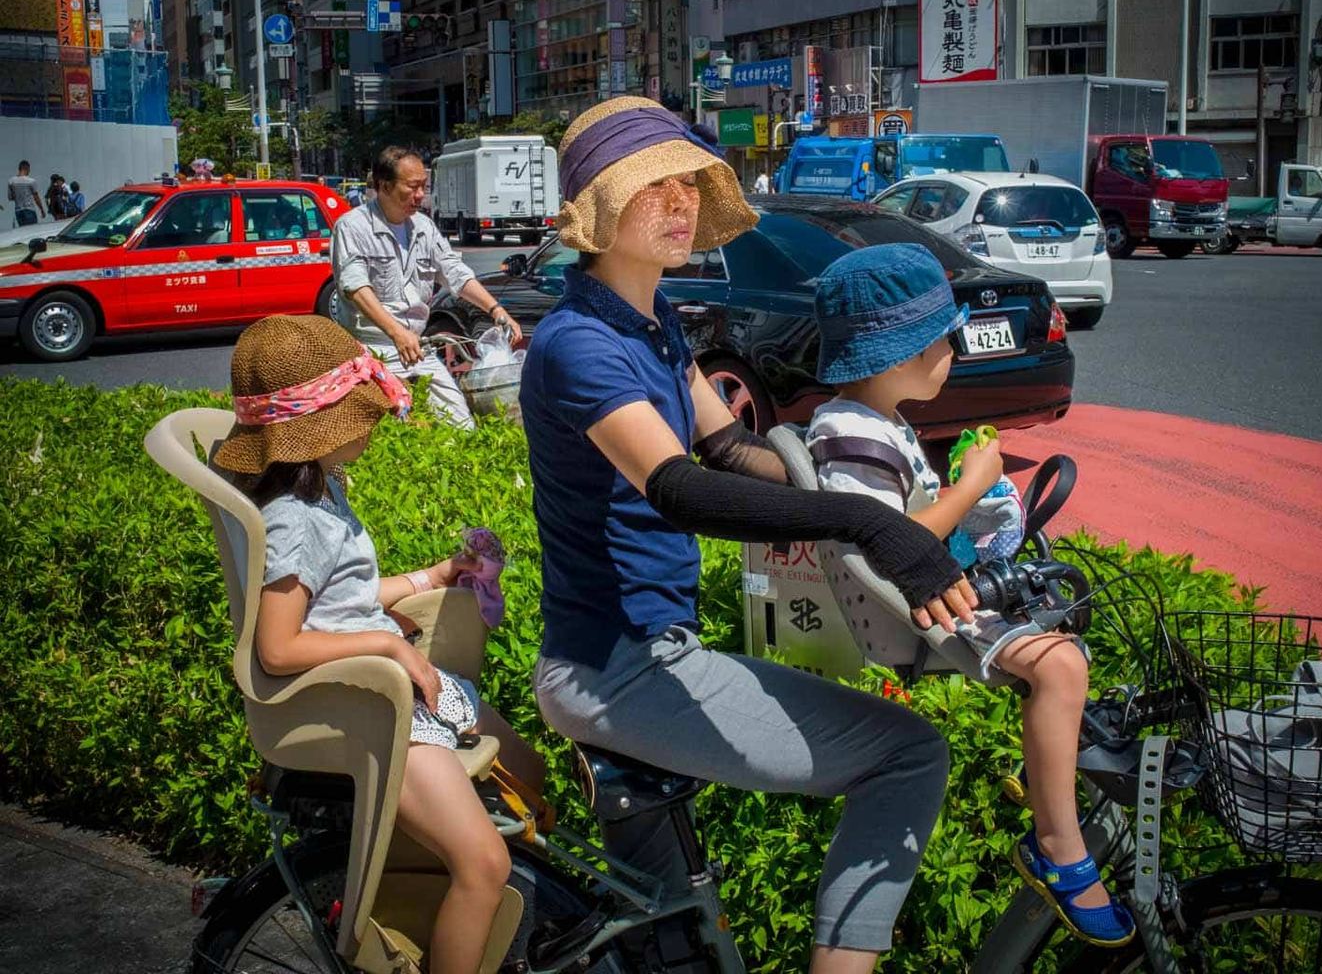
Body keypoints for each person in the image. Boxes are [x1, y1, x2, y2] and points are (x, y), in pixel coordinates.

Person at [522, 97, 979, 973]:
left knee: (668, 947)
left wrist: (865, 480)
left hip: (644, 653)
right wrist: (869, 524)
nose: (683, 202)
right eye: (654, 188)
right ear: (602, 209)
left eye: (692, 182)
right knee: (908, 755)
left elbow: (730, 448)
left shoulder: (652, 324)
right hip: (620, 666)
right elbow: (681, 489)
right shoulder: (577, 344)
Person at [804, 243, 1134, 949]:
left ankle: (1043, 772)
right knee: (1062, 665)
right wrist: (972, 483)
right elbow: (894, 540)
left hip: (932, 593)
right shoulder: (848, 433)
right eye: (942, 338)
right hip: (925, 613)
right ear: (896, 355)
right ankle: (1059, 848)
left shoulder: (867, 423)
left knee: (1069, 647)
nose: (954, 348)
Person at [213, 314, 545, 974]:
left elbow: (344, 596)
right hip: (366, 708)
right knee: (484, 863)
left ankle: (503, 927)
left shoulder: (317, 488)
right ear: (327, 424)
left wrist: (439, 575)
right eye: (363, 411)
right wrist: (391, 648)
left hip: (386, 690)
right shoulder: (298, 519)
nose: (373, 424)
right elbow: (276, 648)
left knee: (530, 778)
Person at [331, 146, 521, 430]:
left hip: (419, 347)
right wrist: (396, 333)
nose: (421, 195)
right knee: (392, 431)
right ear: (384, 186)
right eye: (413, 187)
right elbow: (355, 286)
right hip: (372, 349)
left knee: (460, 425)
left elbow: (455, 274)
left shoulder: (424, 227)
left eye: (424, 186)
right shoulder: (352, 227)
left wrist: (496, 309)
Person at [8, 160, 43, 228]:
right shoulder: (31, 181)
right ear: (27, 168)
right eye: (29, 169)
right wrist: (41, 209)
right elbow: (36, 197)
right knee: (33, 230)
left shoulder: (11, 181)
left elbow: (10, 197)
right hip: (29, 209)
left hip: (18, 211)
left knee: (24, 231)